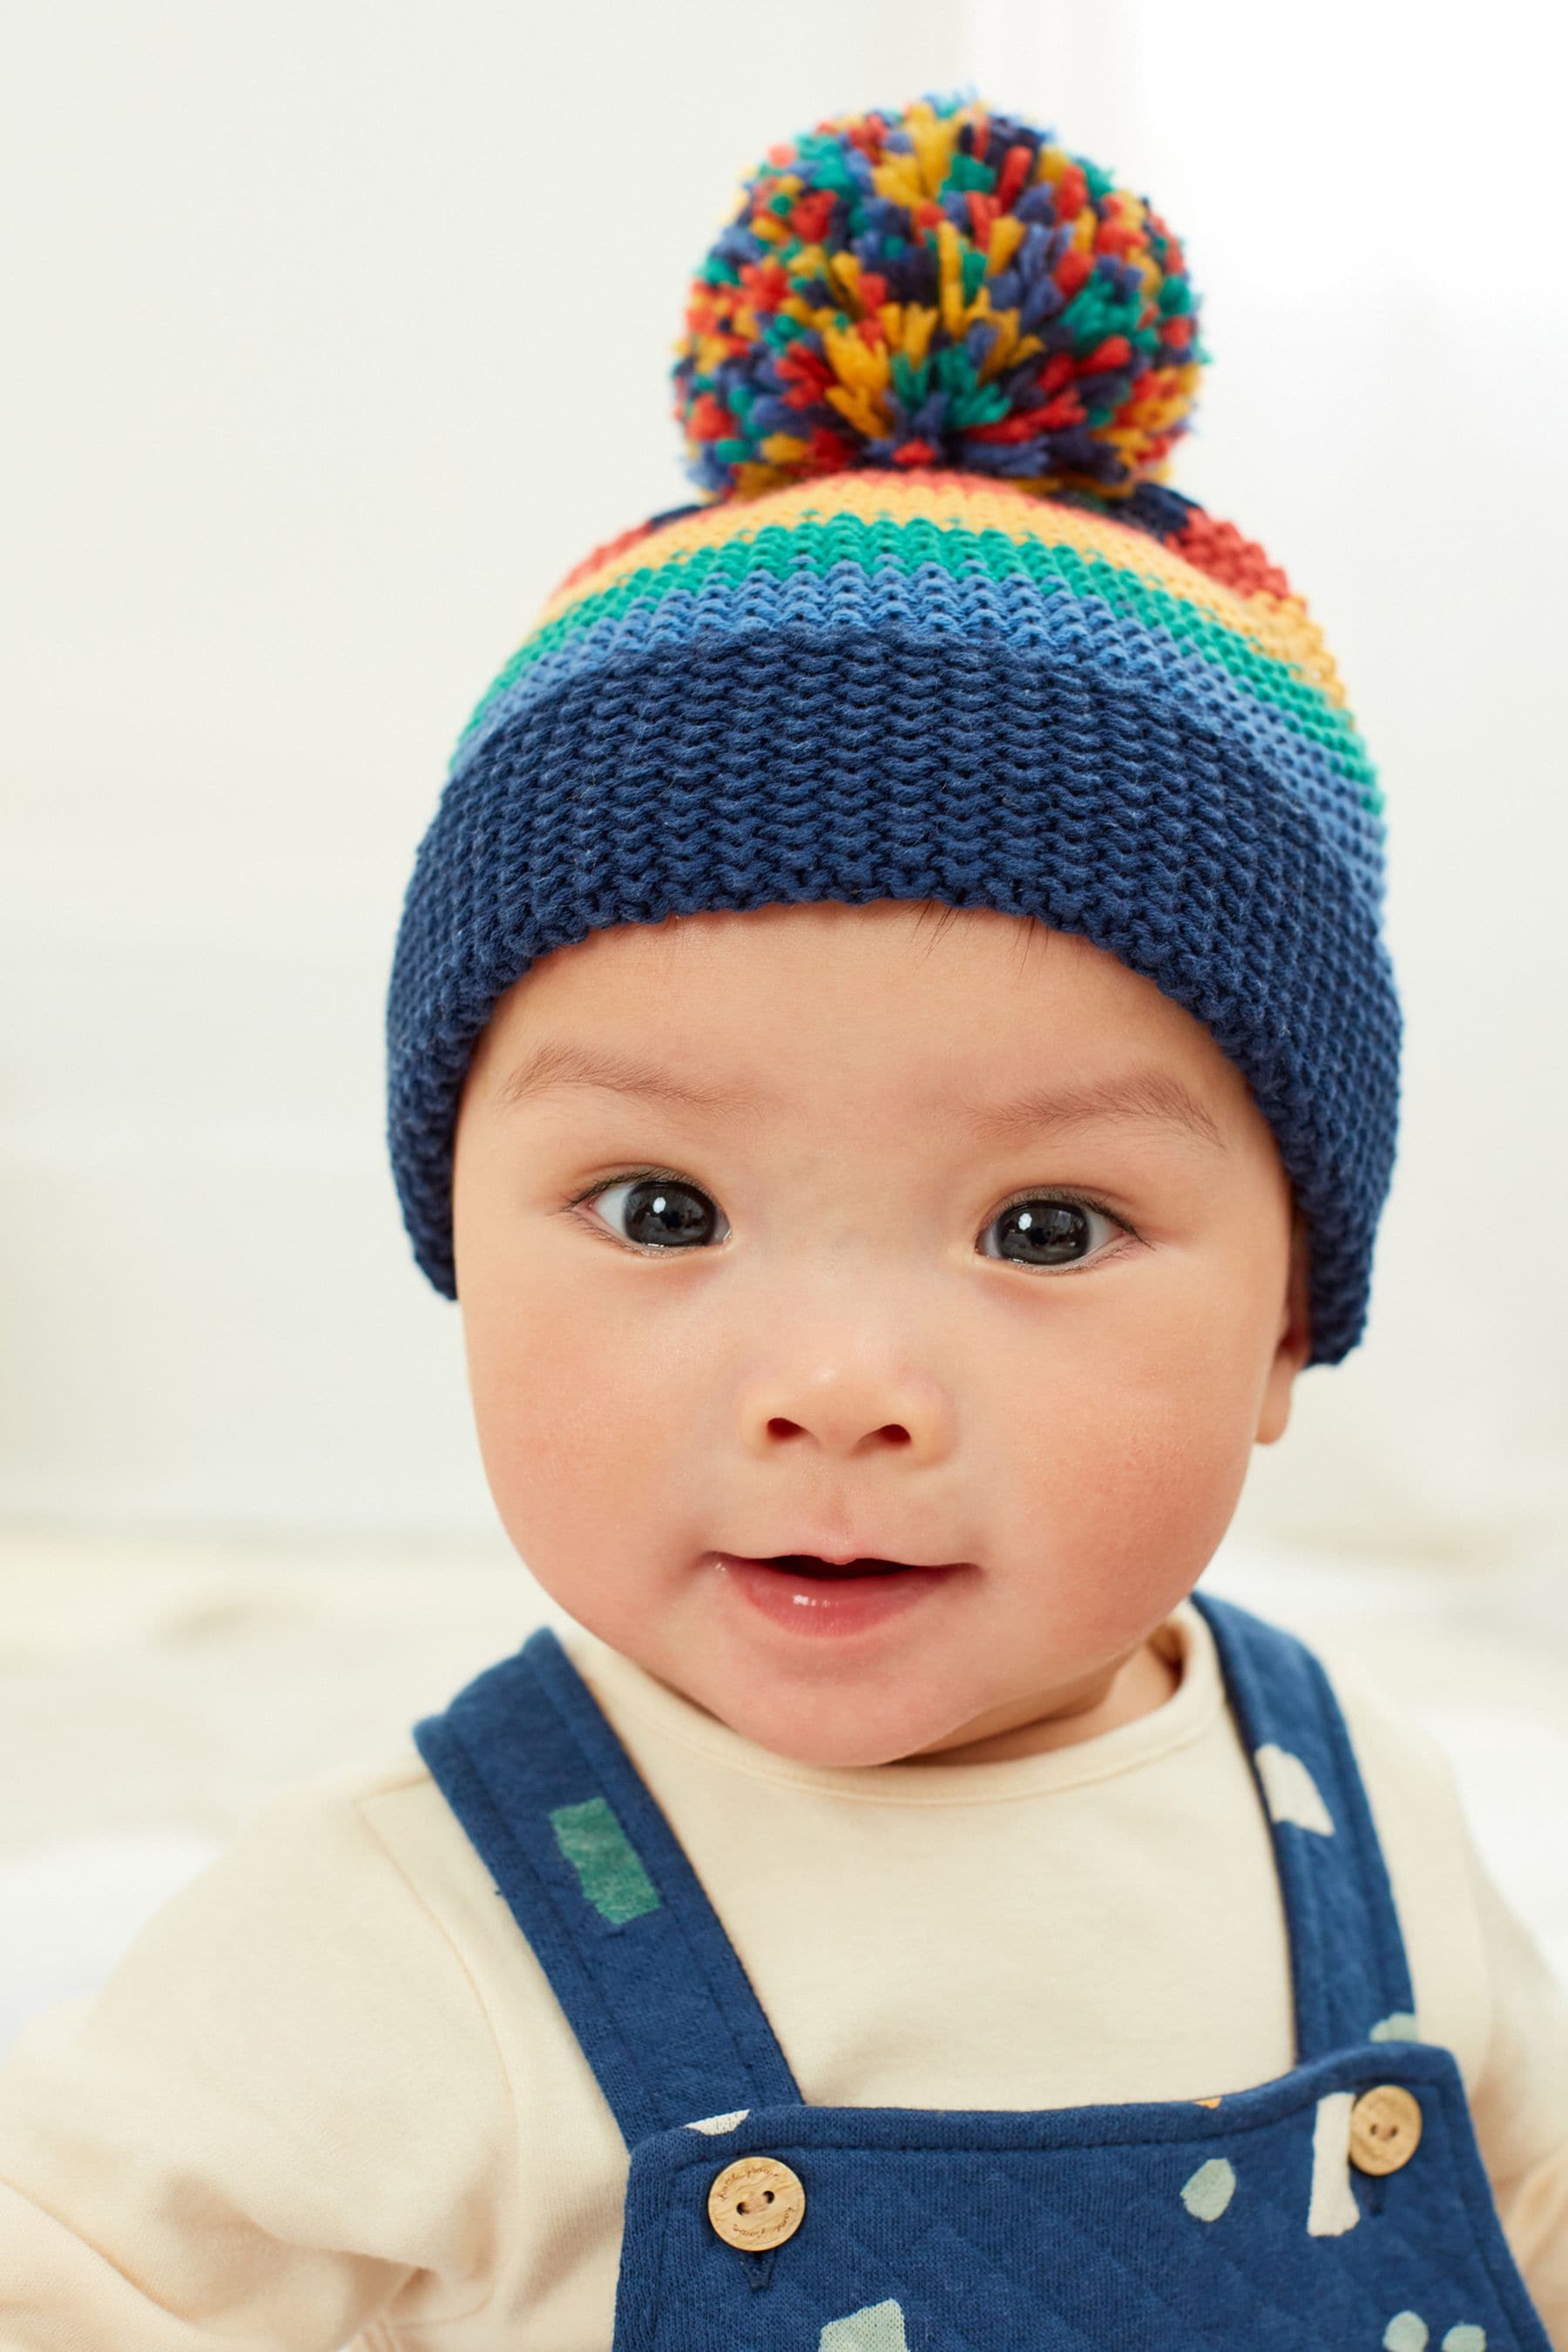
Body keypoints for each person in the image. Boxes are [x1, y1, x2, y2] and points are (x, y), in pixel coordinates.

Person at [1, 93, 1563, 2352]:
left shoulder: (1365, 1824)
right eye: (661, 1204)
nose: (837, 1383)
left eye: (1043, 1225)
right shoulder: (395, 1935)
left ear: (1293, 1314)